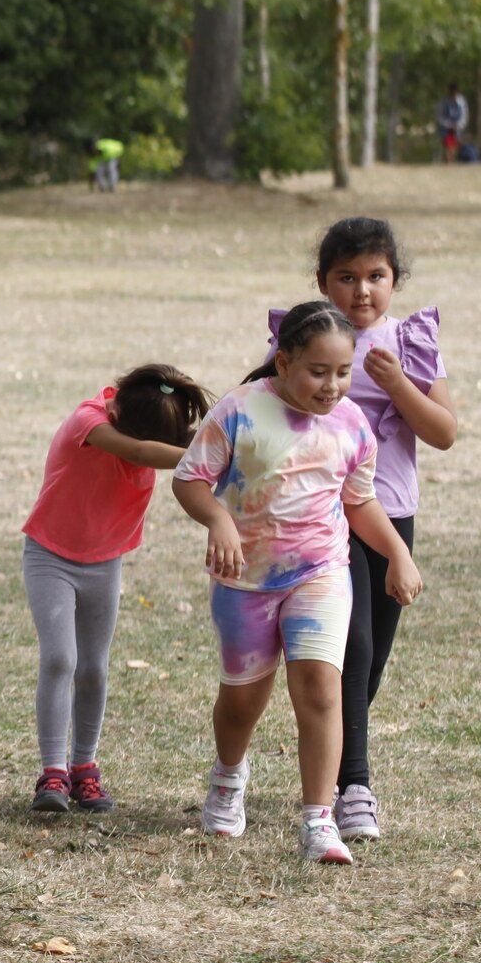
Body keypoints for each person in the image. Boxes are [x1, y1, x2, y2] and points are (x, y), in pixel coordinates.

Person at [172, 301, 421, 866]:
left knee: (320, 688)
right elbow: (190, 481)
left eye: (342, 372)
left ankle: (318, 820)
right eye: (318, 371)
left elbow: (359, 501)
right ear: (283, 363)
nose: (332, 386)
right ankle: (229, 779)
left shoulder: (353, 424)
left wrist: (398, 553)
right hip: (246, 580)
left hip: (320, 573)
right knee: (242, 702)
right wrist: (218, 520)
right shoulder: (239, 411)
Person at [288, 218, 454, 839]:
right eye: (347, 277)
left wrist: (396, 383)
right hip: (324, 515)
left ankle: (333, 759)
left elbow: (442, 433)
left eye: (376, 276)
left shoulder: (409, 343)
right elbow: (263, 401)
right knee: (351, 645)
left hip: (392, 514)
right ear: (323, 282)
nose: (362, 291)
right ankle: (355, 787)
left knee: (372, 657)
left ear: (394, 280)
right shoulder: (309, 338)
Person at [20, 365, 210, 816]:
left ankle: (84, 767)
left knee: (94, 668)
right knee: (60, 658)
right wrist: (199, 451)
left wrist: (226, 442)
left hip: (105, 563)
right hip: (50, 556)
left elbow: (166, 445)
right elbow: (140, 449)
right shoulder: (89, 420)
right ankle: (52, 771)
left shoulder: (151, 433)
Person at [436, 84, 468, 163]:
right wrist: (448, 125)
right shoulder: (444, 101)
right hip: (446, 128)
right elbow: (439, 116)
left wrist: (458, 125)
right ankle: (449, 160)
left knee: (455, 145)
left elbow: (464, 116)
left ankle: (451, 160)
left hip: (457, 127)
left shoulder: (461, 101)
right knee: (448, 144)